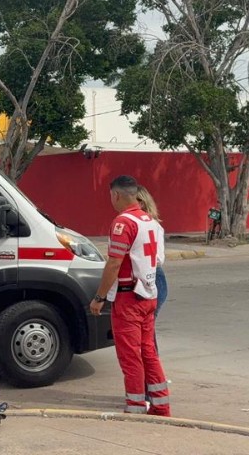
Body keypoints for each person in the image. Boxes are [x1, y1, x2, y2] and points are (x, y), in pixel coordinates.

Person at [90, 175, 170, 416]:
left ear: (116, 195)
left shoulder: (123, 223)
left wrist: (99, 297)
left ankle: (135, 407)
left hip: (128, 297)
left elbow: (114, 263)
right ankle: (161, 405)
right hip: (148, 293)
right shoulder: (149, 221)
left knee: (130, 356)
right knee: (148, 352)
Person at [136, 185, 167, 313]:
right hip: (154, 275)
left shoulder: (144, 225)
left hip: (151, 275)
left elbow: (157, 258)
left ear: (141, 203)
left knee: (146, 321)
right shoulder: (153, 224)